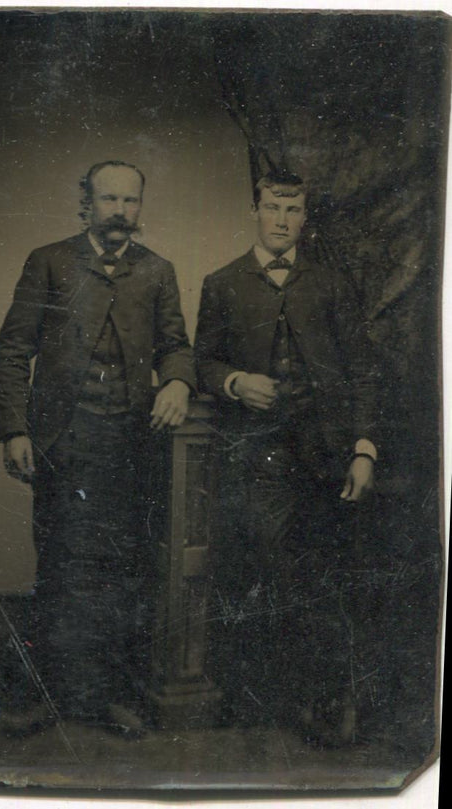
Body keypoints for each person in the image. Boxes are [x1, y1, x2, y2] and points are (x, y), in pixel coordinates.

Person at [0, 160, 195, 736]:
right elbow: (13, 352)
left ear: (139, 209)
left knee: (121, 571)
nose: (120, 212)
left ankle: (107, 698)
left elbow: (177, 345)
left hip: (130, 446)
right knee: (60, 568)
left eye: (130, 202)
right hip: (63, 442)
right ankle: (49, 700)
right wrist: (14, 429)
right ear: (86, 203)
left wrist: (178, 379)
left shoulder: (157, 271)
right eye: (109, 200)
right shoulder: (50, 262)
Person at [194, 168, 378, 746]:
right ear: (255, 208)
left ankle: (323, 703)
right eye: (273, 207)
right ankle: (263, 701)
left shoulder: (331, 284)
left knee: (322, 573)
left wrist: (364, 448)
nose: (281, 220)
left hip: (324, 455)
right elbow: (201, 362)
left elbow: (363, 372)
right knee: (265, 569)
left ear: (305, 218)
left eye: (293, 210)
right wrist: (234, 382)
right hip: (258, 454)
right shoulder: (223, 282)